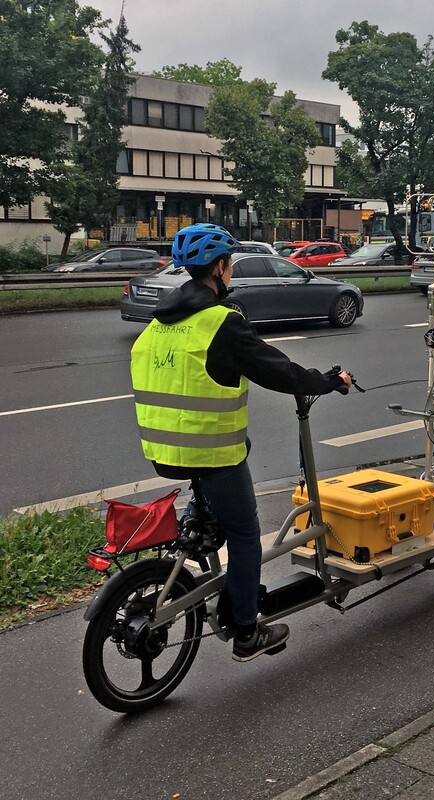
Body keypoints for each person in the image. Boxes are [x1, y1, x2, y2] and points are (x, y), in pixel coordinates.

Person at [130, 223, 351, 662]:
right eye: (229, 264)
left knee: (219, 504)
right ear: (219, 267)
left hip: (163, 451)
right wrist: (327, 381)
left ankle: (201, 531)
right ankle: (248, 633)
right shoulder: (220, 322)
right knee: (246, 535)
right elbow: (277, 371)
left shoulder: (159, 325)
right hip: (209, 453)